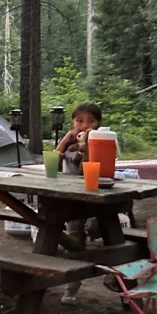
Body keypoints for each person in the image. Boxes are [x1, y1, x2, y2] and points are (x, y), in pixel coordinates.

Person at [56, 102, 104, 303]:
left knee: (96, 226)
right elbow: (54, 161)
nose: (85, 125)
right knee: (74, 238)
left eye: (91, 121)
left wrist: (87, 145)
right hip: (72, 197)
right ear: (72, 122)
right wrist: (66, 140)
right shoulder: (68, 141)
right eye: (80, 120)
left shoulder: (103, 140)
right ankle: (72, 288)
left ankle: (113, 275)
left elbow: (91, 166)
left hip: (96, 195)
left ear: (99, 123)